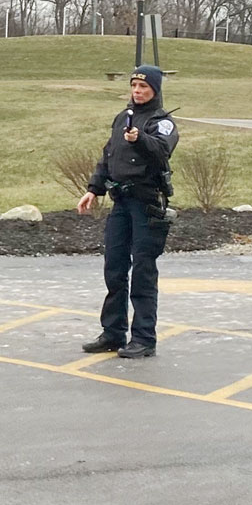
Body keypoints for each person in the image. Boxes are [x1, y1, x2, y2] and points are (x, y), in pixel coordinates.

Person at [77, 65, 179, 358]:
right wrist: (93, 189)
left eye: (144, 87)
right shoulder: (123, 117)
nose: (138, 91)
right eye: (134, 86)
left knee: (144, 271)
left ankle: (144, 338)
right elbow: (108, 156)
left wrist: (140, 139)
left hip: (146, 203)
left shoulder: (163, 123)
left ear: (155, 90)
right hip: (120, 202)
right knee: (115, 268)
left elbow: (161, 151)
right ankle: (113, 332)